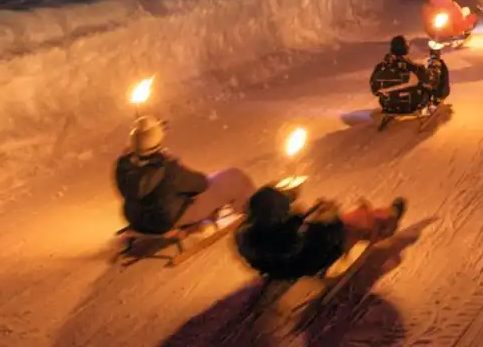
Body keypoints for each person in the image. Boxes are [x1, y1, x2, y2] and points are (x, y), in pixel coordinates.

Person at [114, 115, 257, 235]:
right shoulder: (168, 168)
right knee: (232, 176)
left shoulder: (123, 166)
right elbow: (200, 184)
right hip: (164, 220)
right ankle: (254, 211)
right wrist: (171, 163)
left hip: (136, 218)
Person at [235, 184, 406, 281]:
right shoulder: (285, 237)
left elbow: (289, 229)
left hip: (281, 266)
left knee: (347, 222)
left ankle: (382, 220)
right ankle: (388, 218)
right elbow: (300, 244)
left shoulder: (246, 233)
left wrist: (305, 215)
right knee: (357, 222)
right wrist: (328, 219)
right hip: (313, 260)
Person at [370, 35, 445, 114]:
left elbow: (374, 90)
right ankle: (437, 102)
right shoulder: (410, 67)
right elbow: (430, 79)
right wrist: (435, 61)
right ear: (405, 48)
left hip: (388, 106)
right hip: (410, 106)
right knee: (428, 84)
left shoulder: (381, 67)